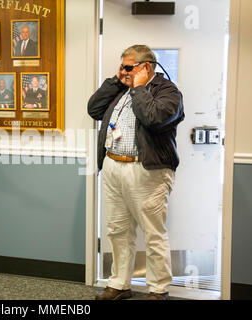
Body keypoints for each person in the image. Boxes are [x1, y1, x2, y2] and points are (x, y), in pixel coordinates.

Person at [87, 45, 185, 300]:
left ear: (146, 68)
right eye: (121, 67)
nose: (123, 72)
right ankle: (119, 284)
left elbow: (153, 118)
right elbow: (94, 109)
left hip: (146, 170)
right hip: (112, 165)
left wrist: (139, 87)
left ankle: (158, 289)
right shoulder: (121, 89)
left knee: (153, 232)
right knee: (117, 229)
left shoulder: (168, 92)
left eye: (128, 67)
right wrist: (117, 81)